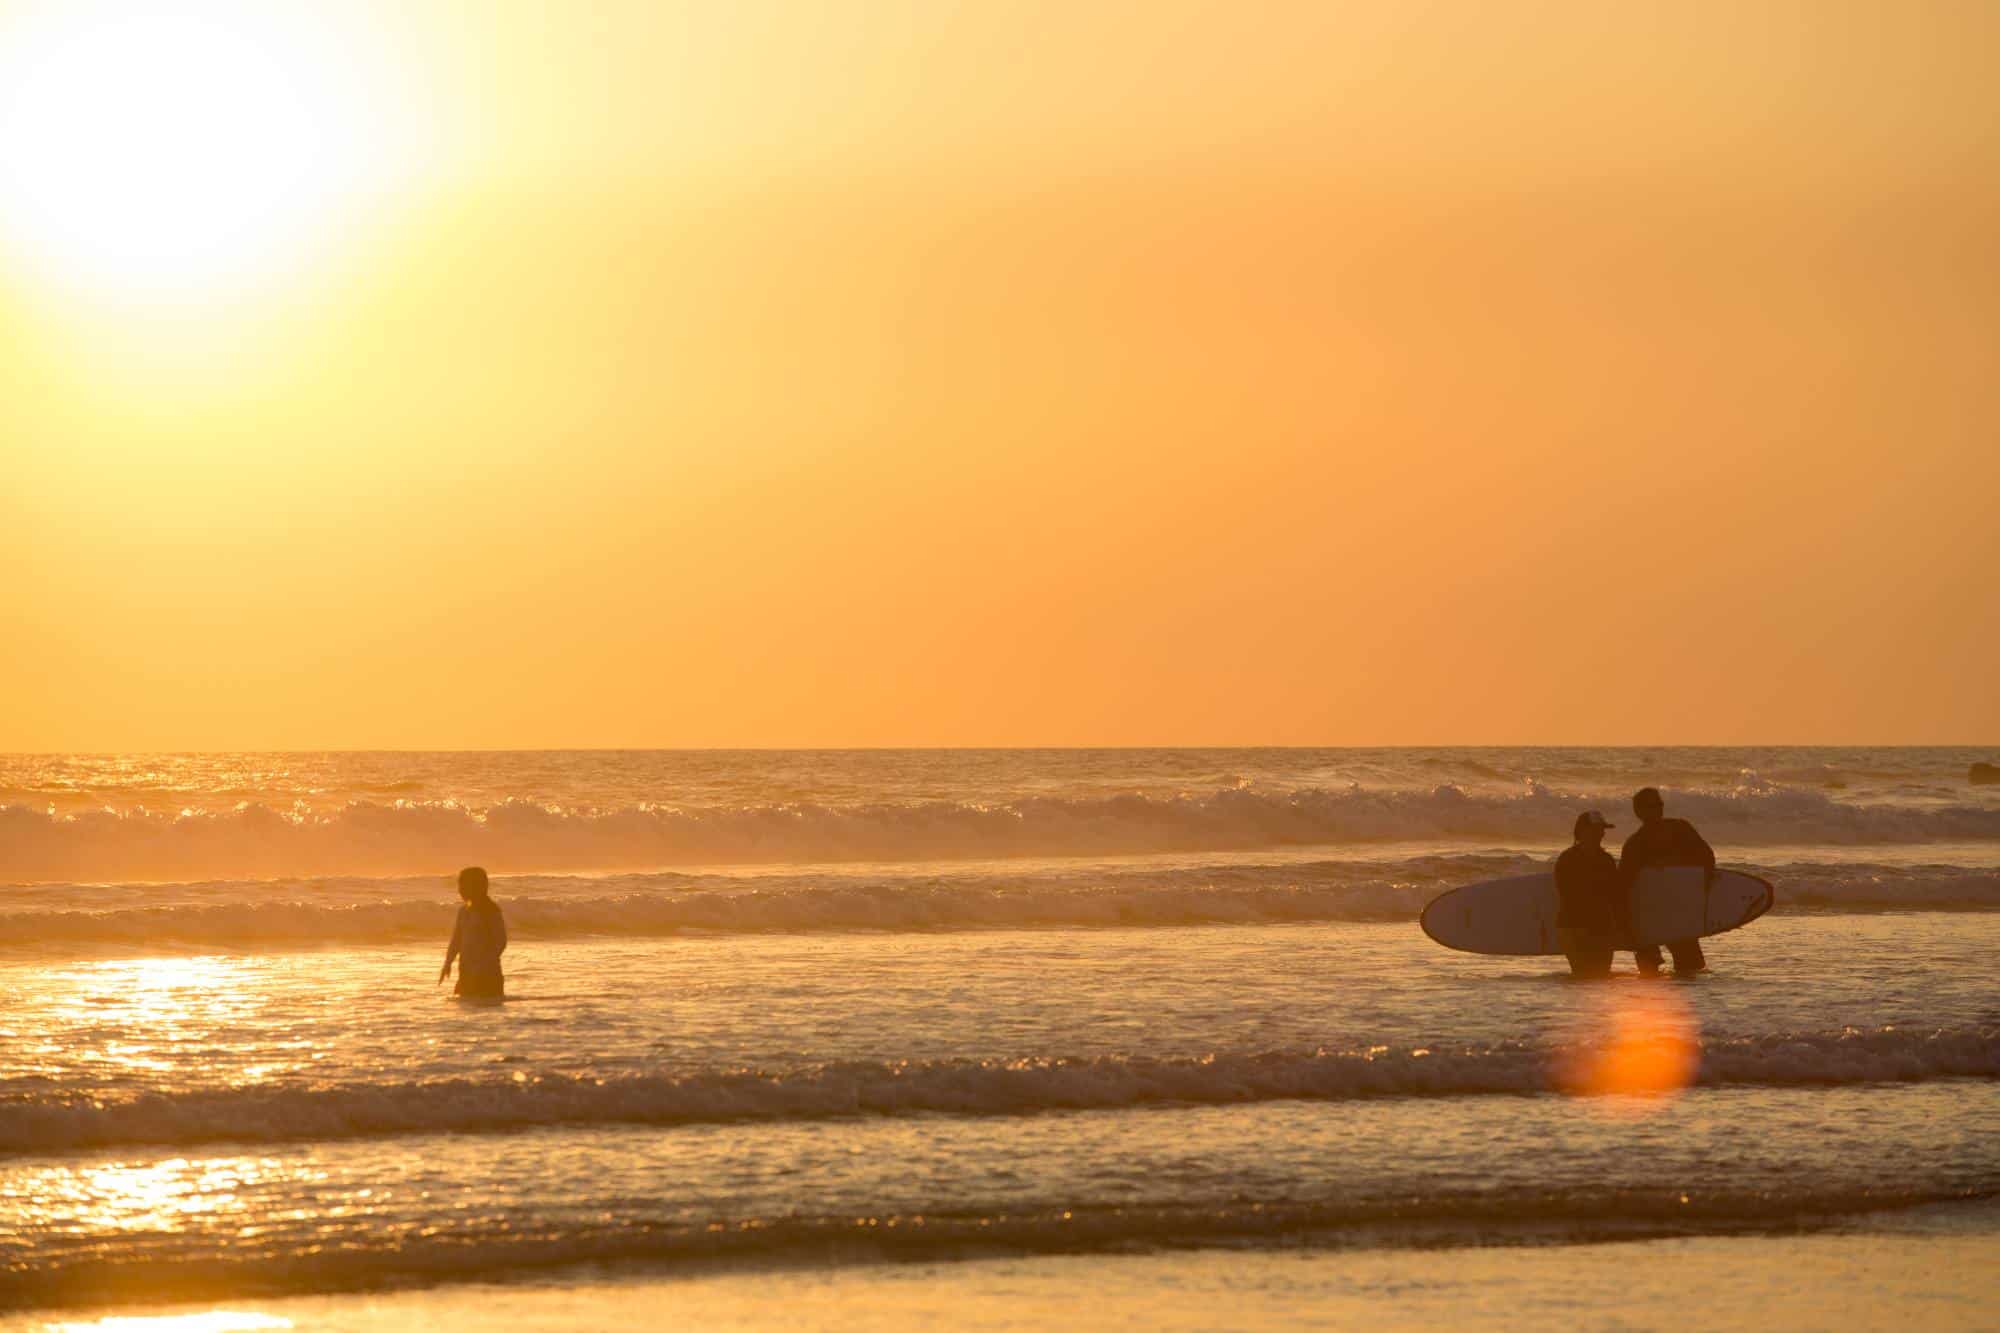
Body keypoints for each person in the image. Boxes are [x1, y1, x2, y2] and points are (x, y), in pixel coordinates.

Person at [1618, 787, 1712, 976]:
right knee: (1648, 972)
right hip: (1648, 912)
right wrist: (1626, 923)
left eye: (1660, 804)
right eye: (1652, 806)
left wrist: (1703, 890)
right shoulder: (1635, 844)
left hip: (1679, 909)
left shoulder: (1680, 829)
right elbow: (1624, 885)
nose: (1658, 809)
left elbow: (1707, 858)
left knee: (1691, 967)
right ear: (1639, 812)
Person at [1554, 810, 1622, 977]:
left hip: (1602, 927)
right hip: (1573, 927)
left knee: (1602, 977)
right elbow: (1567, 895)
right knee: (1582, 976)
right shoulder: (1567, 859)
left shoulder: (1606, 860)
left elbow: (1614, 896)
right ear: (1582, 832)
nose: (1601, 834)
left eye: (1602, 830)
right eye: (1596, 829)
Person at [440, 865, 507, 999]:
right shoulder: (463, 912)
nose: (460, 890)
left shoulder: (491, 911)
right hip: (466, 972)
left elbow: (501, 941)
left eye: (464, 885)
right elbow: (456, 940)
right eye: (460, 886)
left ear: (478, 887)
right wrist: (447, 963)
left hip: (487, 975)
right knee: (466, 1012)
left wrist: (484, 963)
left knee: (485, 1014)